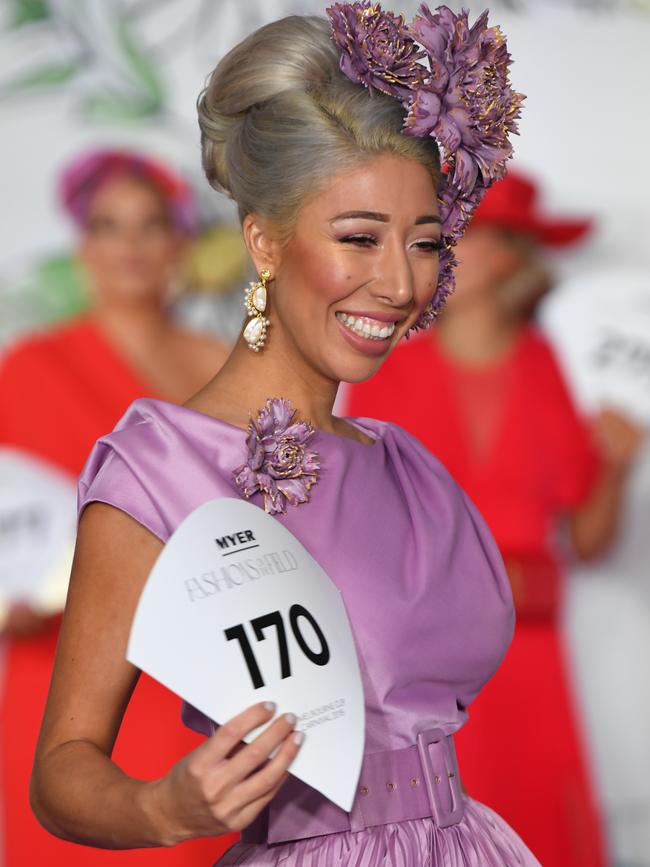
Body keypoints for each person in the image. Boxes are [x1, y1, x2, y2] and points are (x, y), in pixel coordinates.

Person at [30, 7, 540, 865]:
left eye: (423, 242)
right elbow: (61, 769)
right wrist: (164, 806)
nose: (400, 282)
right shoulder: (165, 472)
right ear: (264, 241)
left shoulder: (407, 464)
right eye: (359, 238)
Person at [347, 169, 644, 866]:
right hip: (424, 663)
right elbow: (363, 541)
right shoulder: (385, 375)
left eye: (454, 238)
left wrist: (621, 467)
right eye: (429, 239)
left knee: (535, 817)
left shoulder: (557, 372)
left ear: (507, 253)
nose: (431, 254)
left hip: (529, 657)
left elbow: (591, 544)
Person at [0, 149, 233, 866]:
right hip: (67, 676)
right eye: (108, 226)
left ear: (179, 240)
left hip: (201, 675)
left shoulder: (228, 366)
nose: (129, 246)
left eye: (149, 224)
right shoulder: (26, 370)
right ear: (84, 247)